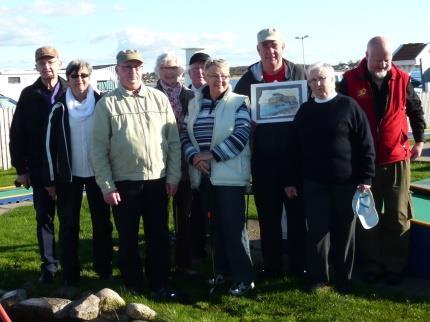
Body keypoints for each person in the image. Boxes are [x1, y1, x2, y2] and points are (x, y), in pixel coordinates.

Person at [91, 50, 182, 301]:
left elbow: (173, 141)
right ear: (118, 71)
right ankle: (132, 285)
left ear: (143, 70)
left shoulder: (158, 99)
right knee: (128, 238)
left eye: (137, 67)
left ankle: (160, 284)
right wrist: (107, 186)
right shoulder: (107, 103)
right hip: (124, 184)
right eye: (126, 67)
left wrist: (173, 177)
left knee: (159, 236)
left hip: (158, 181)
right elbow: (98, 149)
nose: (132, 71)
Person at [338, 36, 426, 284]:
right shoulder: (349, 80)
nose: (383, 65)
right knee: (367, 216)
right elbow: (339, 114)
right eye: (378, 60)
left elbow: (416, 111)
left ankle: (395, 268)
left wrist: (419, 141)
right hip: (363, 162)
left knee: (398, 216)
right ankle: (373, 266)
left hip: (397, 158)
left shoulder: (403, 79)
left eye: (387, 60)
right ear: (366, 55)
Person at [284, 62, 375, 292]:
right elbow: (294, 150)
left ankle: (344, 277)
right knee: (317, 231)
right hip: (314, 183)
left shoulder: (349, 106)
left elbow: (365, 144)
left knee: (345, 230)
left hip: (347, 182)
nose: (317, 84)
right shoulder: (305, 111)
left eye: (321, 78)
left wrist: (366, 178)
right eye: (312, 80)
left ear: (332, 80)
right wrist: (291, 181)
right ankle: (318, 277)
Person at [234, 27, 307, 277]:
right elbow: (237, 115)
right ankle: (273, 267)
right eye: (265, 46)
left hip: (295, 159)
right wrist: (248, 121)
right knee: (268, 218)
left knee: (297, 217)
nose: (270, 51)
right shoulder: (247, 80)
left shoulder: (300, 74)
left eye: (274, 45)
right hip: (263, 161)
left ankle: (299, 266)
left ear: (282, 47)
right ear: (258, 50)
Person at [180, 58, 254, 296]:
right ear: (205, 76)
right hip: (203, 177)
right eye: (213, 75)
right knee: (216, 228)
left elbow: (242, 134)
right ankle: (223, 272)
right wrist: (194, 157)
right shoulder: (195, 103)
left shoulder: (239, 102)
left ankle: (244, 278)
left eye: (223, 74)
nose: (219, 79)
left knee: (234, 229)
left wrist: (210, 155)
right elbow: (184, 133)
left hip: (229, 177)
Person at [44, 60, 113, 286]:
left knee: (102, 222)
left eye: (84, 75)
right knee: (69, 223)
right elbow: (49, 145)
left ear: (90, 76)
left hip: (98, 173)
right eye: (74, 76)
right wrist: (51, 179)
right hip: (69, 176)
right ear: (68, 79)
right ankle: (71, 274)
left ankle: (103, 268)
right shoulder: (59, 106)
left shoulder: (103, 103)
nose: (79, 80)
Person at [9, 46, 67, 283]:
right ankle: (49, 266)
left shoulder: (69, 90)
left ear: (59, 63)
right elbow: (17, 134)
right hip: (38, 167)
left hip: (66, 168)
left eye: (51, 62)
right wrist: (21, 170)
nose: (47, 67)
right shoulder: (28, 94)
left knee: (69, 218)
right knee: (44, 218)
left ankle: (71, 264)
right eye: (42, 63)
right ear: (36, 67)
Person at [154, 52, 196, 275]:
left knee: (184, 216)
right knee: (159, 217)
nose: (170, 72)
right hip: (158, 162)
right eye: (165, 68)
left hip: (185, 162)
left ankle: (184, 263)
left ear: (181, 71)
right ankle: (161, 263)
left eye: (174, 68)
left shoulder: (190, 96)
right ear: (158, 70)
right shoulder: (151, 95)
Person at [187, 52, 211, 263]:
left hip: (215, 162)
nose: (200, 73)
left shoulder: (217, 95)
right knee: (194, 210)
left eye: (204, 68)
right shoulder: (186, 96)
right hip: (190, 161)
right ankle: (196, 249)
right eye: (195, 69)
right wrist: (194, 156)